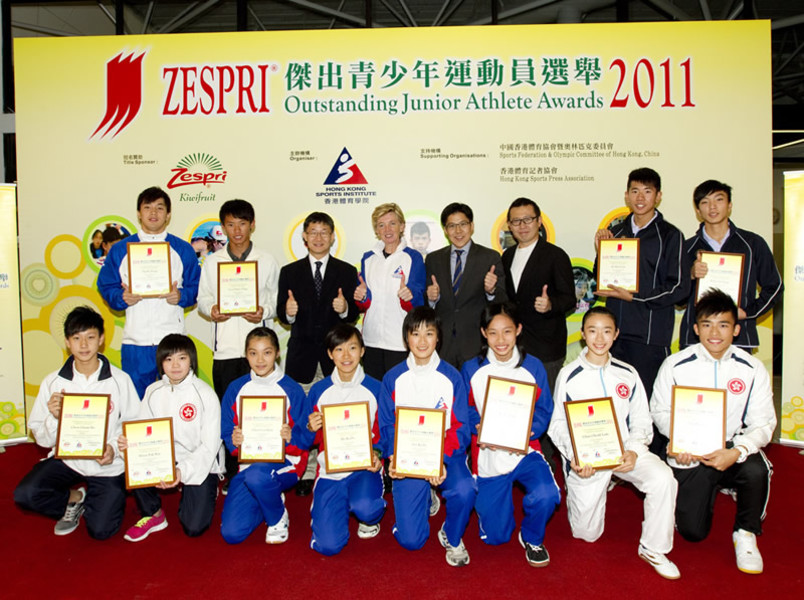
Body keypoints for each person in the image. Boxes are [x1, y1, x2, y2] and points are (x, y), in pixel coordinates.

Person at [548, 306, 680, 579]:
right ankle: (598, 485)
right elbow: (557, 424)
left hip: (623, 452)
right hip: (587, 460)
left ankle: (653, 548)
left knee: (663, 478)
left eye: (607, 331)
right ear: (583, 334)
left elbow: (642, 420)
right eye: (592, 330)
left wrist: (633, 450)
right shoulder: (569, 375)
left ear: (616, 334)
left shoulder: (627, 373)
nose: (599, 338)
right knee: (586, 535)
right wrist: (576, 455)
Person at [651, 290, 775, 575]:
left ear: (736, 329)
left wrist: (736, 451)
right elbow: (659, 410)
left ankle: (745, 532)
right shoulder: (675, 364)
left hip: (731, 448)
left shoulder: (752, 368)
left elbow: (764, 423)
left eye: (723, 325)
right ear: (696, 329)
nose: (715, 333)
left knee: (756, 469)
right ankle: (710, 488)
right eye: (707, 324)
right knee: (693, 533)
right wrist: (677, 439)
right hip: (690, 452)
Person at [14, 306, 139, 539]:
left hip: (107, 465)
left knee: (101, 531)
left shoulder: (120, 380)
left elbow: (133, 424)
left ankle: (100, 498)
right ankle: (75, 499)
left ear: (101, 340)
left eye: (90, 337)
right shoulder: (52, 382)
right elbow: (41, 438)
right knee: (26, 494)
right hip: (69, 460)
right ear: (67, 342)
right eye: (77, 338)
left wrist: (113, 449)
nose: (84, 345)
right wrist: (53, 417)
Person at [462, 303, 560, 567]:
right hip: (489, 454)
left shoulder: (534, 366)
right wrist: (477, 426)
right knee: (495, 537)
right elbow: (466, 410)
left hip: (525, 449)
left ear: (518, 329)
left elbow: (544, 409)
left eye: (507, 331)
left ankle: (532, 537)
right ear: (483, 333)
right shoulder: (472, 368)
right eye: (493, 333)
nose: (501, 340)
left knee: (547, 494)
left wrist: (532, 430)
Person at [378, 306, 476, 567]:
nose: (422, 341)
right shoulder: (393, 378)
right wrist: (392, 457)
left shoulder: (452, 377)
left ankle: (452, 536)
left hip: (445, 457)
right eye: (415, 333)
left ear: (438, 338)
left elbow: (461, 428)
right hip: (407, 461)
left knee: (465, 490)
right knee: (412, 541)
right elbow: (386, 425)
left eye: (429, 334)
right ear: (406, 338)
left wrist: (440, 460)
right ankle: (425, 496)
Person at [197, 199, 280, 489]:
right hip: (225, 351)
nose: (237, 230)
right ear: (223, 227)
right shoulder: (211, 261)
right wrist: (212, 310)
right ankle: (233, 471)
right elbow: (203, 299)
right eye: (230, 224)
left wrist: (263, 311)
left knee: (261, 410)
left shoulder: (267, 260)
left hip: (258, 354)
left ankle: (264, 466)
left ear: (252, 224)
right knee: (229, 413)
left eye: (242, 224)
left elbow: (274, 299)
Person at [276, 211, 360, 496]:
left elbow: (353, 314)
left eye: (324, 232)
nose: (319, 237)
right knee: (305, 415)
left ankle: (337, 463)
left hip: (337, 358)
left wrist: (345, 308)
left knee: (334, 414)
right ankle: (306, 469)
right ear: (304, 237)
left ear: (333, 236)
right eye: (313, 232)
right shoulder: (289, 272)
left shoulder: (347, 271)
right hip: (301, 357)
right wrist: (288, 314)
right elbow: (280, 312)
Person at [594, 168, 689, 400]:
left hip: (650, 337)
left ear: (658, 196)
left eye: (647, 191)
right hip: (614, 337)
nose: (640, 197)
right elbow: (602, 279)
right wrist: (600, 252)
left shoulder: (671, 235)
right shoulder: (615, 233)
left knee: (648, 403)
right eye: (635, 191)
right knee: (615, 400)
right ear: (626, 195)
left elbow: (678, 287)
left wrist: (635, 297)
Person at [97, 186, 200, 398]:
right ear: (138, 213)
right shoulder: (121, 249)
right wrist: (121, 297)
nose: (153, 213)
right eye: (147, 208)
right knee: (137, 405)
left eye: (160, 208)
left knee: (178, 399)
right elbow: (106, 285)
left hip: (172, 340)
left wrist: (181, 296)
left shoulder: (182, 249)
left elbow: (197, 285)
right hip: (136, 341)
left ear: (168, 214)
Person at [118, 334, 223, 541]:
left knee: (194, 527)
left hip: (198, 462)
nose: (175, 365)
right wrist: (129, 445)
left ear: (191, 360)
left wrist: (181, 471)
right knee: (131, 463)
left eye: (181, 358)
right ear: (161, 363)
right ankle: (154, 514)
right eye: (168, 359)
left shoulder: (205, 394)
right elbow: (142, 431)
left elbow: (209, 447)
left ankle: (207, 488)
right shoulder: (153, 391)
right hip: (161, 458)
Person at [219, 327, 308, 544]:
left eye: (267, 352)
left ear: (277, 353)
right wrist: (234, 441)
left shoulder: (291, 389)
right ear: (246, 354)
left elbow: (306, 436)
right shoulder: (236, 388)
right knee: (232, 534)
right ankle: (267, 497)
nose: (260, 360)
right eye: (253, 353)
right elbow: (226, 429)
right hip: (249, 465)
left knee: (258, 476)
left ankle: (277, 517)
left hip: (288, 461)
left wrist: (290, 438)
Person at [303, 324, 386, 555]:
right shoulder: (319, 390)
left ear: (362, 350)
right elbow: (305, 439)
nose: (346, 355)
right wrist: (311, 427)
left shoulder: (376, 388)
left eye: (352, 347)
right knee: (328, 547)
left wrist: (377, 454)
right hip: (331, 472)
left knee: (367, 508)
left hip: (364, 469)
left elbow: (385, 433)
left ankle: (369, 518)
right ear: (330, 354)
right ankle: (325, 508)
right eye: (339, 350)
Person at [679, 179, 783, 350]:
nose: (712, 207)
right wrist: (690, 275)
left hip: (740, 337)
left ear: (729, 205)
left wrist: (748, 312)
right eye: (705, 202)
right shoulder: (686, 248)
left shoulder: (752, 243)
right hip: (695, 339)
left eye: (719, 200)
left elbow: (775, 287)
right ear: (698, 210)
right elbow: (679, 299)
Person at [501, 197, 575, 390]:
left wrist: (551, 305)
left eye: (528, 219)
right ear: (509, 225)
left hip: (546, 348)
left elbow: (569, 299)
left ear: (539, 221)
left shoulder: (555, 255)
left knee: (545, 407)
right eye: (516, 221)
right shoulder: (507, 256)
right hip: (514, 347)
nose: (522, 226)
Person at [426, 202, 507, 368]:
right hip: (443, 343)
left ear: (472, 226)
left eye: (463, 224)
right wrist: (431, 299)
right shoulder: (433, 259)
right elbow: (426, 303)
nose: (458, 231)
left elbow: (503, 301)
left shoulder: (490, 257)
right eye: (452, 226)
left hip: (476, 343)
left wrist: (491, 291)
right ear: (445, 230)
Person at [355, 203, 426, 380]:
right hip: (371, 340)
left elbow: (419, 301)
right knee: (376, 395)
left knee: (398, 394)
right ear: (376, 230)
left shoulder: (413, 257)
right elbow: (365, 303)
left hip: (400, 342)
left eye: (392, 223)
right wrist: (361, 298)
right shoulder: (368, 258)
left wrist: (409, 296)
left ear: (402, 226)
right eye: (381, 225)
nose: (387, 229)